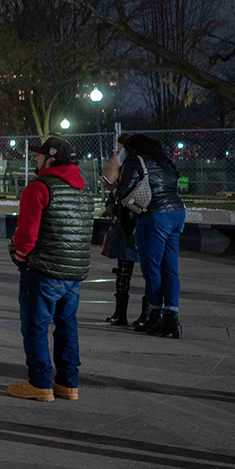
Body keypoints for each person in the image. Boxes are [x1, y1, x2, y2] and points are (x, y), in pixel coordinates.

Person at [6, 136, 88, 402]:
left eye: (40, 156)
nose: (36, 159)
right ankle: (68, 383)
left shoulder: (40, 187)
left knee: (36, 326)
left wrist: (20, 258)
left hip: (43, 268)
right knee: (67, 325)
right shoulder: (83, 188)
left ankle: (40, 383)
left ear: (51, 160)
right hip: (73, 271)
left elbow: (27, 233)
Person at [116, 133, 186, 338]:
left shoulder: (134, 161)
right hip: (177, 213)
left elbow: (123, 191)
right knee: (170, 268)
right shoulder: (164, 161)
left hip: (153, 216)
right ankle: (172, 316)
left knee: (151, 267)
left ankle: (155, 313)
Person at [98, 134, 142, 326]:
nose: (118, 153)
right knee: (123, 270)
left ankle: (148, 312)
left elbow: (123, 191)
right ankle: (120, 312)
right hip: (125, 223)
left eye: (120, 149)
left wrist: (113, 191)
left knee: (148, 270)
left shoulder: (135, 167)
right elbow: (115, 192)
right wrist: (110, 206)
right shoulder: (124, 167)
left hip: (135, 223)